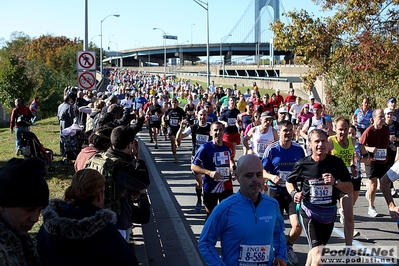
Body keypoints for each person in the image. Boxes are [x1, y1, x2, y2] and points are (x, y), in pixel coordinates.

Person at [36, 169, 139, 266]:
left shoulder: (50, 223)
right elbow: (130, 261)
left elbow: (39, 255)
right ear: (100, 196)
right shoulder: (103, 229)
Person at [198, 154, 287, 266]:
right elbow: (205, 242)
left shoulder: (272, 205)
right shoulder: (225, 208)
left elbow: (279, 235)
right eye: (249, 175)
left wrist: (281, 258)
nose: (255, 179)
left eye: (259, 175)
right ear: (237, 177)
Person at [286, 129, 353, 266]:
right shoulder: (303, 164)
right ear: (309, 144)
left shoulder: (336, 163)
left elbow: (350, 188)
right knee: (318, 256)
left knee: (315, 252)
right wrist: (294, 193)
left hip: (328, 214)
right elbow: (289, 181)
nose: (320, 144)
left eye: (323, 141)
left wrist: (335, 182)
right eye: (316, 141)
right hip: (310, 213)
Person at [262, 120, 305, 265]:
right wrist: (271, 176)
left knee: (297, 226)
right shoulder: (272, 149)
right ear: (278, 132)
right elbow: (262, 171)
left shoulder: (299, 150)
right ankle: (275, 253)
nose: (288, 133)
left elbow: (304, 170)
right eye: (285, 130)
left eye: (290, 130)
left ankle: (288, 246)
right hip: (275, 192)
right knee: (274, 226)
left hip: (292, 192)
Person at [103, 126, 151, 241]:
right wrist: (138, 158)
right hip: (118, 222)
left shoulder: (101, 157)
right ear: (130, 145)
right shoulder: (123, 167)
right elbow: (143, 182)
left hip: (98, 215)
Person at [0, 157, 49, 266]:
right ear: (2, 204)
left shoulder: (16, 233)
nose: (35, 219)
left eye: (40, 210)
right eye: (29, 209)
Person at [327, 117, 368, 243]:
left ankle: (348, 248)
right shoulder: (330, 141)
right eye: (340, 129)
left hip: (345, 182)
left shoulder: (353, 141)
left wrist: (353, 166)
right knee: (327, 218)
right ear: (335, 129)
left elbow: (361, 158)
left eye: (345, 129)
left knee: (349, 216)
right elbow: (323, 159)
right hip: (331, 182)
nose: (343, 132)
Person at [191, 122, 235, 218]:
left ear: (224, 132)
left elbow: (230, 159)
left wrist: (234, 169)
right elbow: (194, 166)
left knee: (227, 215)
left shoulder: (229, 146)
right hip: (210, 187)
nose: (218, 132)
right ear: (210, 133)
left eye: (220, 130)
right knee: (211, 216)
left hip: (226, 186)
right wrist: (209, 172)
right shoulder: (205, 148)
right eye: (215, 130)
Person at [177, 109, 211, 213]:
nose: (203, 117)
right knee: (199, 182)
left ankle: (208, 202)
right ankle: (199, 200)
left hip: (208, 158)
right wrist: (180, 128)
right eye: (201, 115)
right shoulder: (194, 127)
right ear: (197, 116)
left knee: (209, 181)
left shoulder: (210, 127)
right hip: (197, 159)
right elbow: (180, 137)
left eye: (204, 115)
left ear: (207, 116)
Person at [360, 109, 390, 217]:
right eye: (380, 117)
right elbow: (360, 145)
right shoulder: (369, 131)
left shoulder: (386, 129)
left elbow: (387, 142)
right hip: (371, 160)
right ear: (373, 119)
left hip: (383, 160)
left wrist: (390, 146)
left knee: (385, 184)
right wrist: (369, 148)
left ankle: (391, 207)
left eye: (383, 116)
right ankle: (371, 207)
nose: (382, 119)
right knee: (373, 184)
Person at [162, 98, 185, 162]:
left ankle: (177, 143)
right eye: (172, 102)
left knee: (178, 142)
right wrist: (164, 123)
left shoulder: (180, 110)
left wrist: (183, 121)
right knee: (172, 141)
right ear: (171, 103)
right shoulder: (168, 110)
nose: (174, 104)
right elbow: (164, 117)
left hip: (178, 129)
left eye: (175, 102)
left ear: (177, 103)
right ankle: (175, 157)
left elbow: (185, 116)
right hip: (171, 128)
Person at [384, 107, 399, 197]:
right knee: (387, 167)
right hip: (385, 150)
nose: (390, 116)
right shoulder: (383, 125)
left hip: (395, 149)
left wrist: (395, 139)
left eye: (391, 114)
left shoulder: (396, 125)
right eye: (388, 114)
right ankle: (390, 187)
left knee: (394, 167)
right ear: (385, 116)